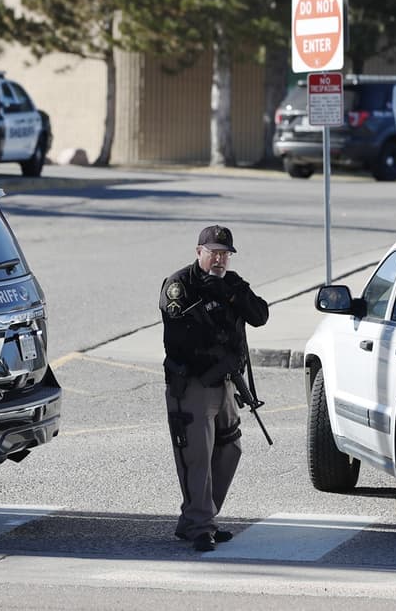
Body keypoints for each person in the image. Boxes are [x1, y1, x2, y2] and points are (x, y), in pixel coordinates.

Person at [159, 224, 269, 552]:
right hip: (193, 384)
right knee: (197, 458)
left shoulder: (230, 284)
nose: (219, 260)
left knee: (230, 449)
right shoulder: (180, 285)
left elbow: (260, 315)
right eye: (213, 253)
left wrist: (230, 293)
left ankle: (199, 517)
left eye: (225, 254)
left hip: (225, 383)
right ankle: (200, 525)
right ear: (199, 252)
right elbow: (180, 334)